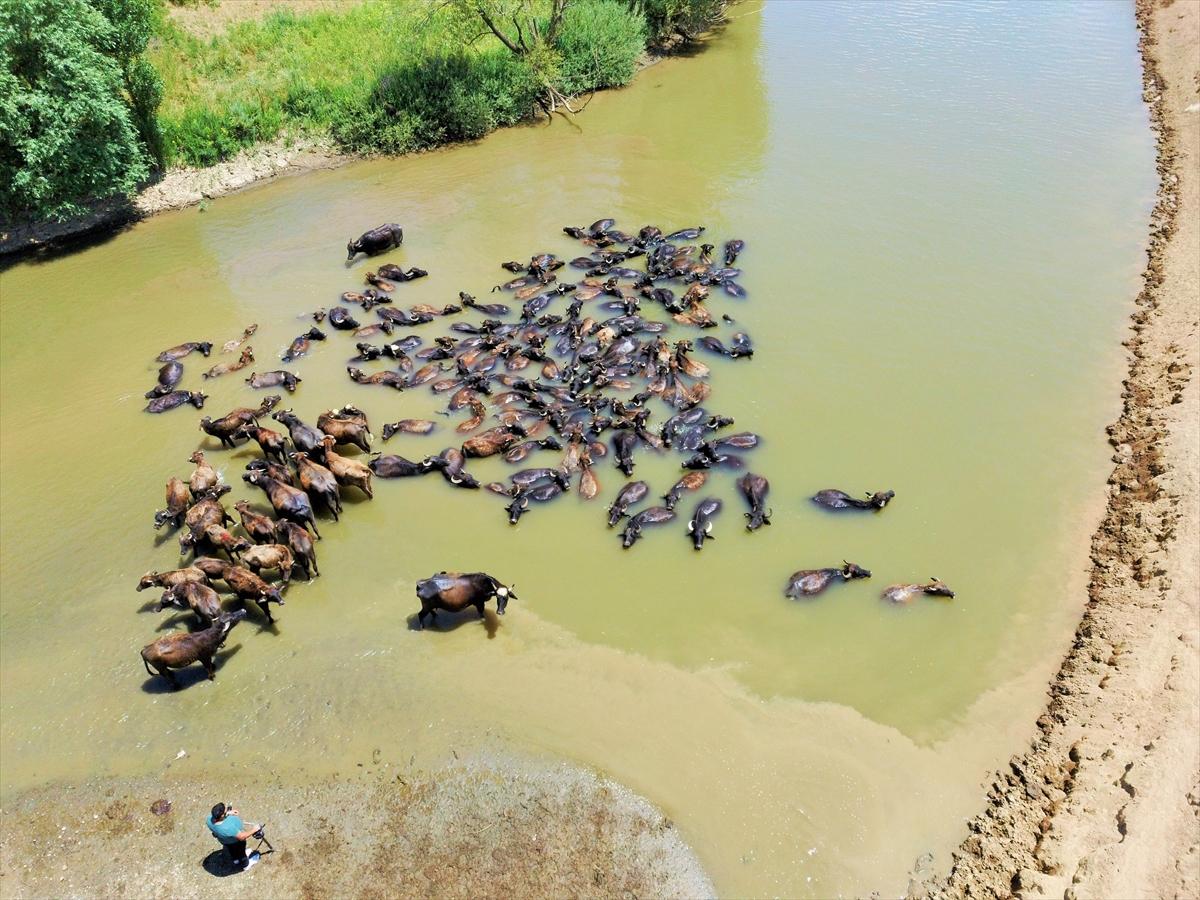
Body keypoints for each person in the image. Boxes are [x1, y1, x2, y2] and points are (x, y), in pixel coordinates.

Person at [206, 802, 263, 872]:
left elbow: (215, 829)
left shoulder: (209, 819)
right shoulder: (227, 828)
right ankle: (245, 865)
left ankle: (236, 860)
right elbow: (241, 837)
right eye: (225, 811)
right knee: (241, 853)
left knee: (233, 852)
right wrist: (254, 829)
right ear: (221, 816)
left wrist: (228, 813)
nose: (227, 811)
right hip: (236, 843)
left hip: (225, 842)